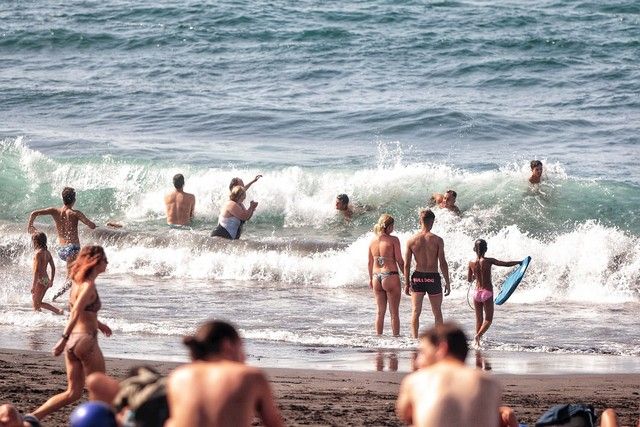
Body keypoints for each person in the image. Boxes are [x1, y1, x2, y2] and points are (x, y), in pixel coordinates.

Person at [32, 246, 112, 421]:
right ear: (96, 261)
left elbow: (82, 311)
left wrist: (99, 324)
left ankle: (33, 416)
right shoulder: (88, 285)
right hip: (86, 342)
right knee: (100, 391)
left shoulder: (77, 282)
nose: (108, 263)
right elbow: (75, 312)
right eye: (105, 259)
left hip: (73, 344)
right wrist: (62, 339)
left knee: (73, 393)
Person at [165, 320, 283, 427]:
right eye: (241, 347)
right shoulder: (249, 375)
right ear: (227, 345)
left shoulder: (179, 376)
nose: (244, 356)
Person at [396, 322, 505, 427]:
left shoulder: (417, 380)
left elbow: (407, 416)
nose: (417, 361)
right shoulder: (490, 382)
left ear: (442, 348)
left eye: (423, 352)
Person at [27, 187, 97, 300]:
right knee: (72, 278)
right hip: (73, 249)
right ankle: (55, 296)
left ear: (63, 199)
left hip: (62, 250)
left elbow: (34, 213)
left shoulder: (55, 211)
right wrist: (93, 225)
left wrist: (30, 225)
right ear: (74, 200)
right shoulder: (76, 213)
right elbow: (91, 225)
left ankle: (74, 296)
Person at [403, 209, 451, 338]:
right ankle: (440, 341)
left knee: (415, 311)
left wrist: (407, 283)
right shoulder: (437, 240)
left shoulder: (411, 240)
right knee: (437, 312)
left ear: (420, 221)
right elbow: (443, 263)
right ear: (432, 222)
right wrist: (447, 282)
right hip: (432, 278)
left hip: (417, 277)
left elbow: (406, 265)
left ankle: (414, 339)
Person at [468, 239, 520, 346]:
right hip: (487, 292)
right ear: (486, 249)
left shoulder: (471, 263)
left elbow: (469, 279)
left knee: (479, 319)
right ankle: (478, 336)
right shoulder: (488, 261)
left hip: (476, 293)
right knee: (488, 319)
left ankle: (477, 342)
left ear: (474, 249)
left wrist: (475, 276)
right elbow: (506, 264)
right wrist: (520, 262)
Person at [367, 214, 404, 336]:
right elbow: (399, 260)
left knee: (379, 312)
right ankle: (396, 341)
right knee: (394, 313)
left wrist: (370, 279)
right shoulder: (394, 240)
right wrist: (406, 277)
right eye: (392, 226)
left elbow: (370, 262)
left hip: (376, 276)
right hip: (390, 275)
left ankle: (379, 339)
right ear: (389, 227)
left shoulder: (372, 241)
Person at [30, 232, 63, 315]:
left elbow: (36, 271)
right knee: (37, 303)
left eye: (33, 240)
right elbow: (53, 268)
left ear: (36, 241)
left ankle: (58, 311)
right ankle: (41, 318)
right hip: (46, 280)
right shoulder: (47, 253)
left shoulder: (38, 254)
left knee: (36, 304)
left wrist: (33, 285)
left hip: (40, 280)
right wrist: (51, 280)